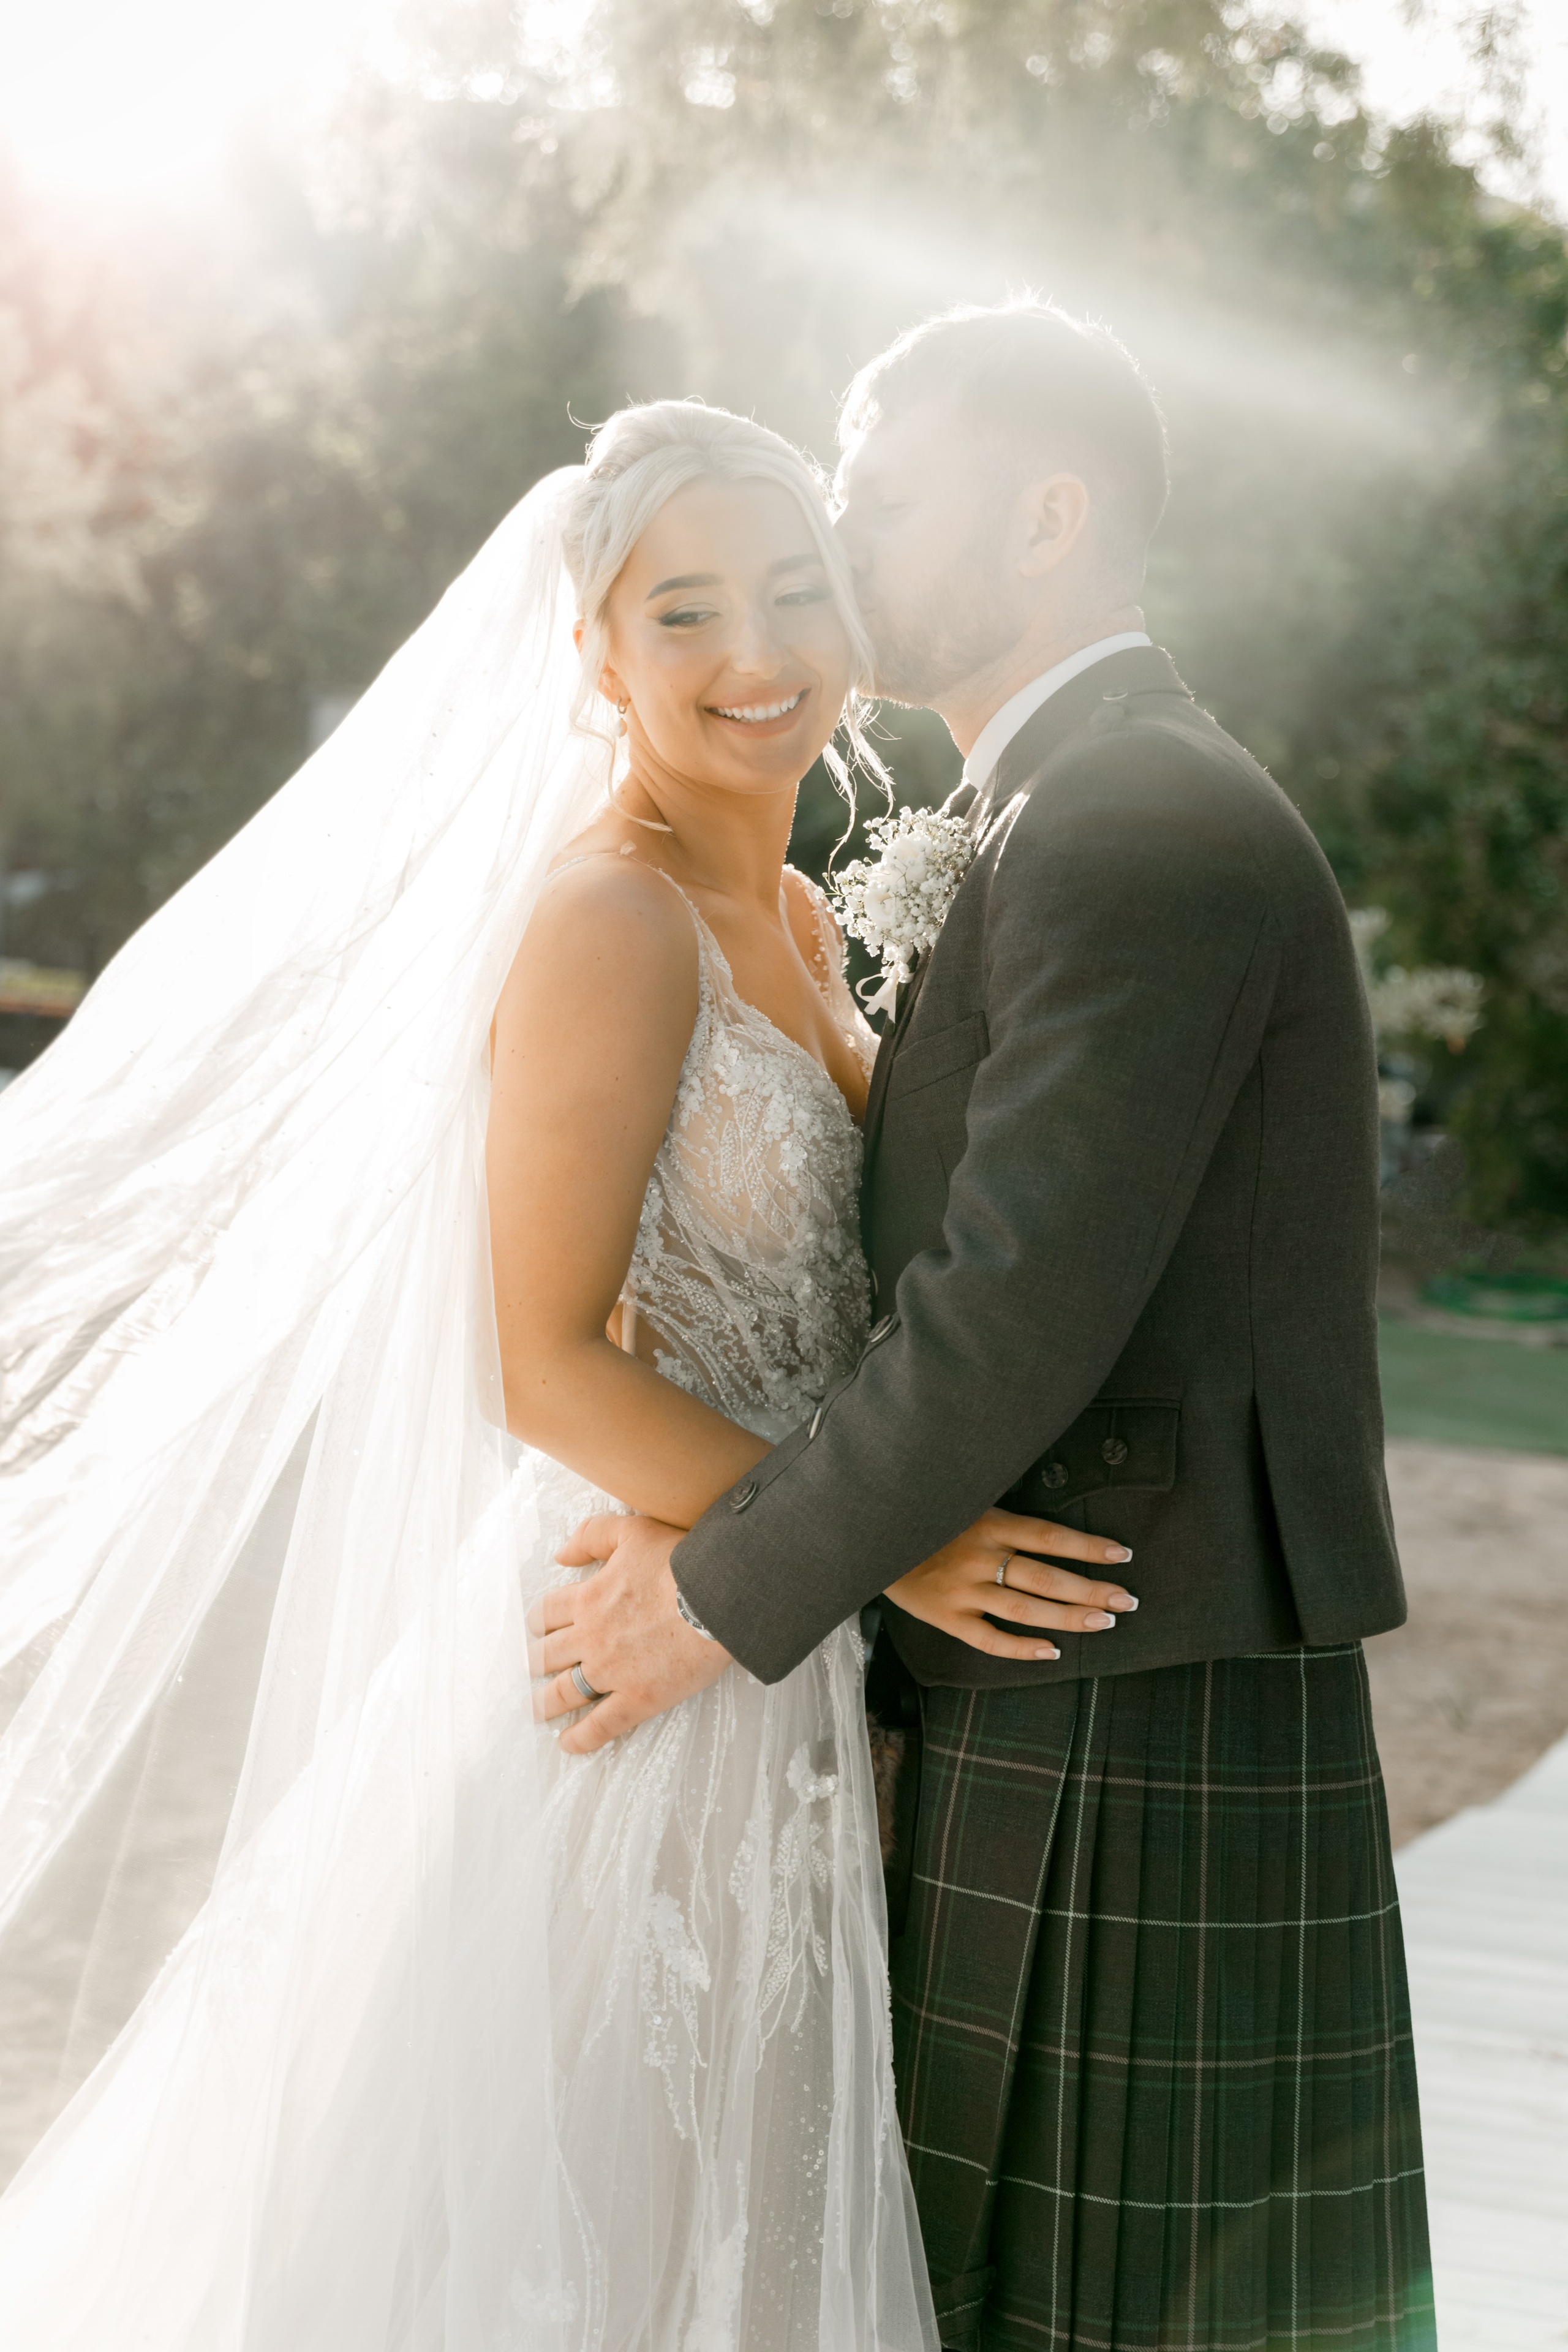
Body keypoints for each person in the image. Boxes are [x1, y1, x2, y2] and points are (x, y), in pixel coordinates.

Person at [0, 397, 1136, 2349]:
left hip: (768, 1654)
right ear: (595, 654)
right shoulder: (611, 919)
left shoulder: (786, 911)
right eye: (682, 611)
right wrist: (879, 1547)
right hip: (650, 1649)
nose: (759, 655)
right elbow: (531, 1364)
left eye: (795, 592)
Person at [544, 306, 1438, 2349]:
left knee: (1111, 2309)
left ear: (1049, 519)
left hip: (1123, 1675)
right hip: (1054, 1660)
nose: (844, 534)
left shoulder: (1138, 821)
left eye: (882, 491)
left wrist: (711, 1596)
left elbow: (1007, 1307)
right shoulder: (1071, 808)